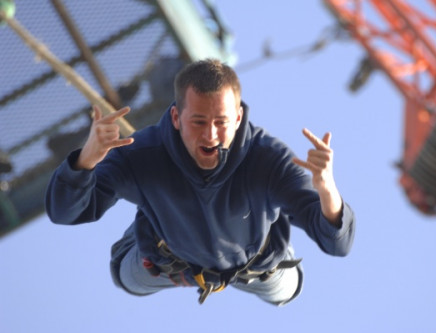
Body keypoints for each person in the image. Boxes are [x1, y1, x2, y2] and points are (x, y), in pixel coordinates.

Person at [45, 59, 355, 306]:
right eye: (198, 122)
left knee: (288, 288)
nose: (210, 135)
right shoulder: (140, 154)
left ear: (237, 118)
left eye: (221, 122)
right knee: (126, 277)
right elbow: (66, 213)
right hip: (168, 261)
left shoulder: (269, 161)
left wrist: (327, 189)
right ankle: (151, 227)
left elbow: (336, 242)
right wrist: (84, 161)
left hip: (255, 266)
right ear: (177, 118)